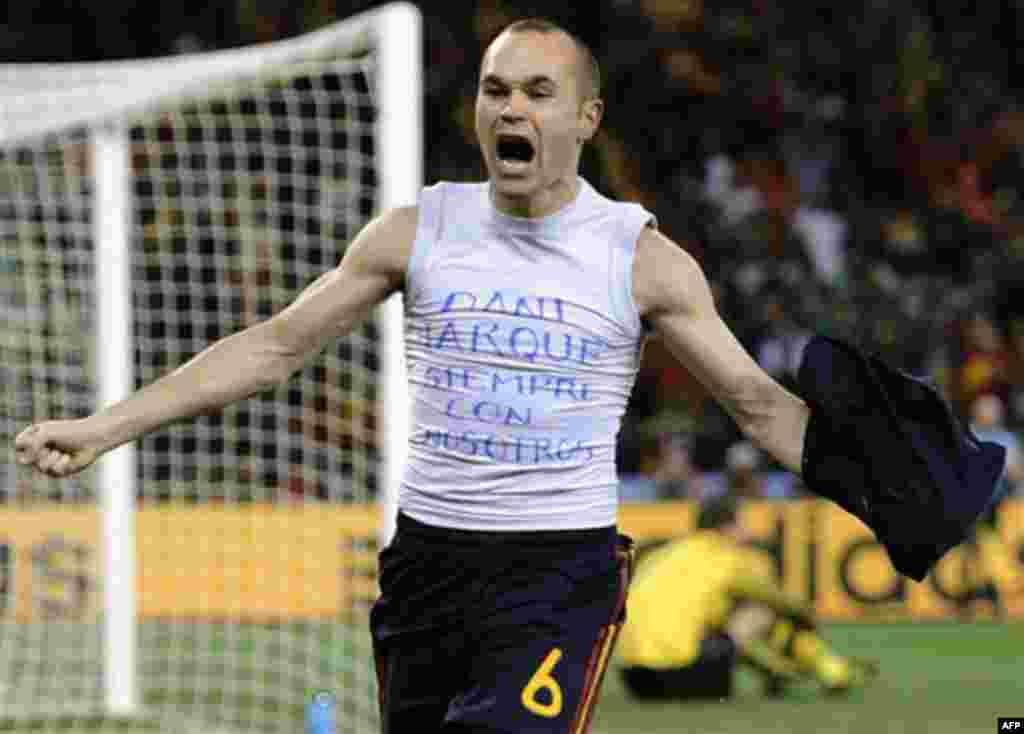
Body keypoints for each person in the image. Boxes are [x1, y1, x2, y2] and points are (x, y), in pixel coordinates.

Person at [11, 18, 1002, 734]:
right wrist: (106, 425)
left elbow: (754, 405)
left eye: (536, 91)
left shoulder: (641, 257)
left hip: (555, 575)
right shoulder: (415, 229)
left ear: (584, 116)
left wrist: (886, 493)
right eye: (495, 90)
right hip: (426, 569)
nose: (511, 108)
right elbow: (274, 344)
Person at [617, 495, 878, 700]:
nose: (747, 530)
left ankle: (776, 674)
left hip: (634, 680)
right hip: (680, 676)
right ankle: (832, 670)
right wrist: (807, 617)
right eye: (741, 524)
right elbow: (781, 603)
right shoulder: (726, 556)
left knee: (718, 620)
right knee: (760, 612)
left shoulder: (665, 554)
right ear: (726, 527)